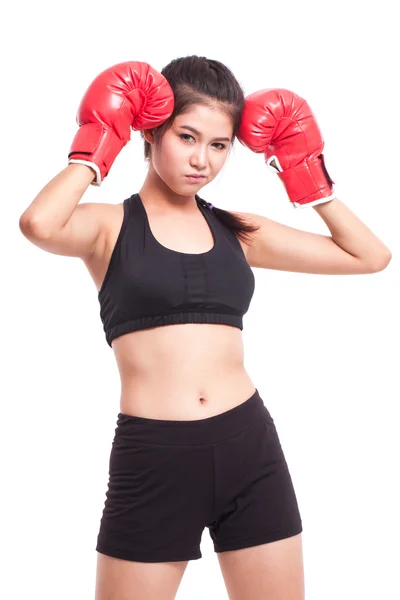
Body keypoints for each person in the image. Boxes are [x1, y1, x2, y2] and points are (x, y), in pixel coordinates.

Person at [19, 56, 391, 600]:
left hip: (249, 446)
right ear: (150, 129)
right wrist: (100, 140)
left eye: (219, 145)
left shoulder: (239, 230)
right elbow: (38, 224)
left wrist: (306, 173)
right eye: (187, 137)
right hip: (155, 456)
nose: (202, 160)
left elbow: (370, 256)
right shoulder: (107, 226)